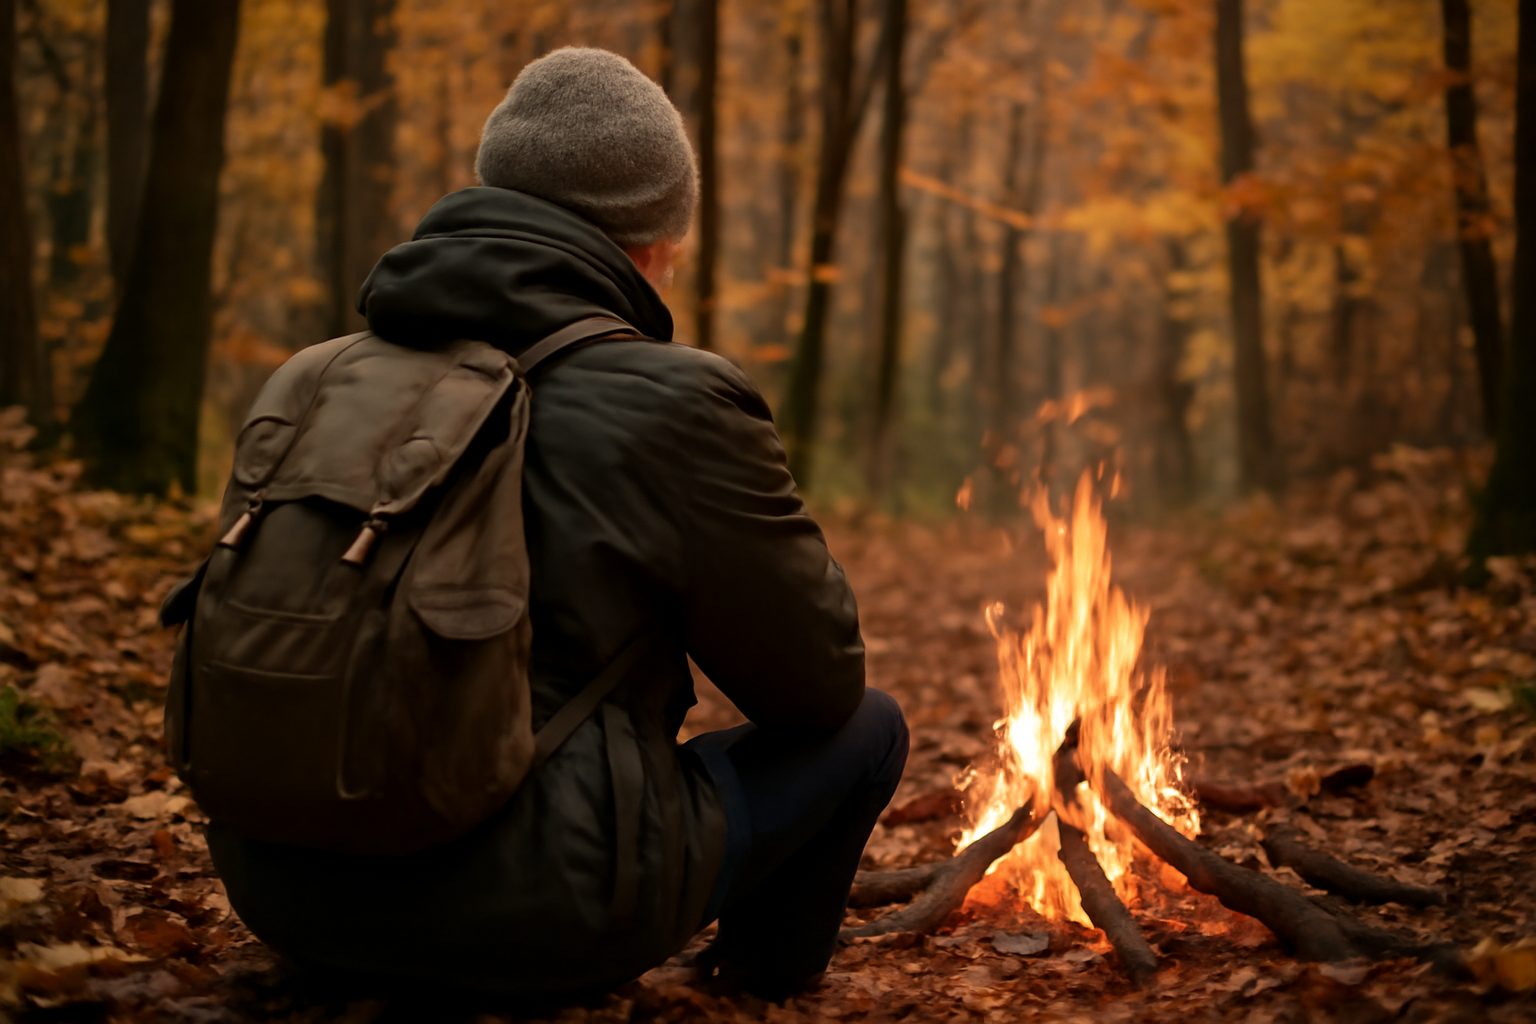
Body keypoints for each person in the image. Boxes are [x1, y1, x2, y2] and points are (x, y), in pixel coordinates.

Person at [204, 47, 908, 1001]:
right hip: (535, 918)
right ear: (652, 242)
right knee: (868, 728)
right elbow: (815, 689)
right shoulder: (674, 398)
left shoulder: (315, 375)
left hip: (279, 892)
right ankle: (756, 981)